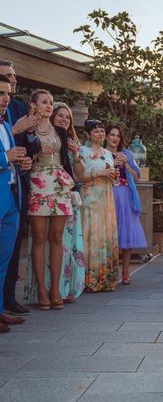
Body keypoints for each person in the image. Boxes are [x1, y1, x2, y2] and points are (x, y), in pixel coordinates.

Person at [23, 102, 86, 305]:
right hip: (38, 183)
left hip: (59, 184)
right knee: (39, 238)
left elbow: (73, 166)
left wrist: (75, 157)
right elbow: (25, 158)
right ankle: (41, 290)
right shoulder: (27, 128)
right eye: (44, 103)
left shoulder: (60, 131)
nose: (48, 106)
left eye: (51, 103)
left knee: (57, 238)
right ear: (34, 106)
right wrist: (37, 150)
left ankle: (56, 289)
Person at [0, 60, 38, 317]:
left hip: (13, 195)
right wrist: (5, 158)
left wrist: (21, 162)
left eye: (8, 93)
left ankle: (2, 307)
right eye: (1, 92)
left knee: (5, 258)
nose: (7, 97)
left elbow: (14, 151)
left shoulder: (4, 124)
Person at [79, 119, 119, 292]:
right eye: (96, 131)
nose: (100, 134)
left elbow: (112, 175)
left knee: (105, 236)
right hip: (90, 199)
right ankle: (89, 279)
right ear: (88, 134)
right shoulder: (82, 151)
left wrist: (113, 174)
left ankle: (105, 279)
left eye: (102, 131)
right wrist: (100, 172)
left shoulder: (107, 153)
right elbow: (79, 176)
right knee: (91, 236)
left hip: (106, 198)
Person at [105, 124, 147, 285]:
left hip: (125, 196)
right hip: (109, 195)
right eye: (112, 135)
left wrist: (126, 165)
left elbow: (137, 178)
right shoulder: (102, 154)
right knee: (110, 235)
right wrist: (113, 163)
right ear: (106, 136)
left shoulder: (127, 154)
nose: (115, 138)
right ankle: (110, 271)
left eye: (117, 135)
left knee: (127, 235)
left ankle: (125, 272)